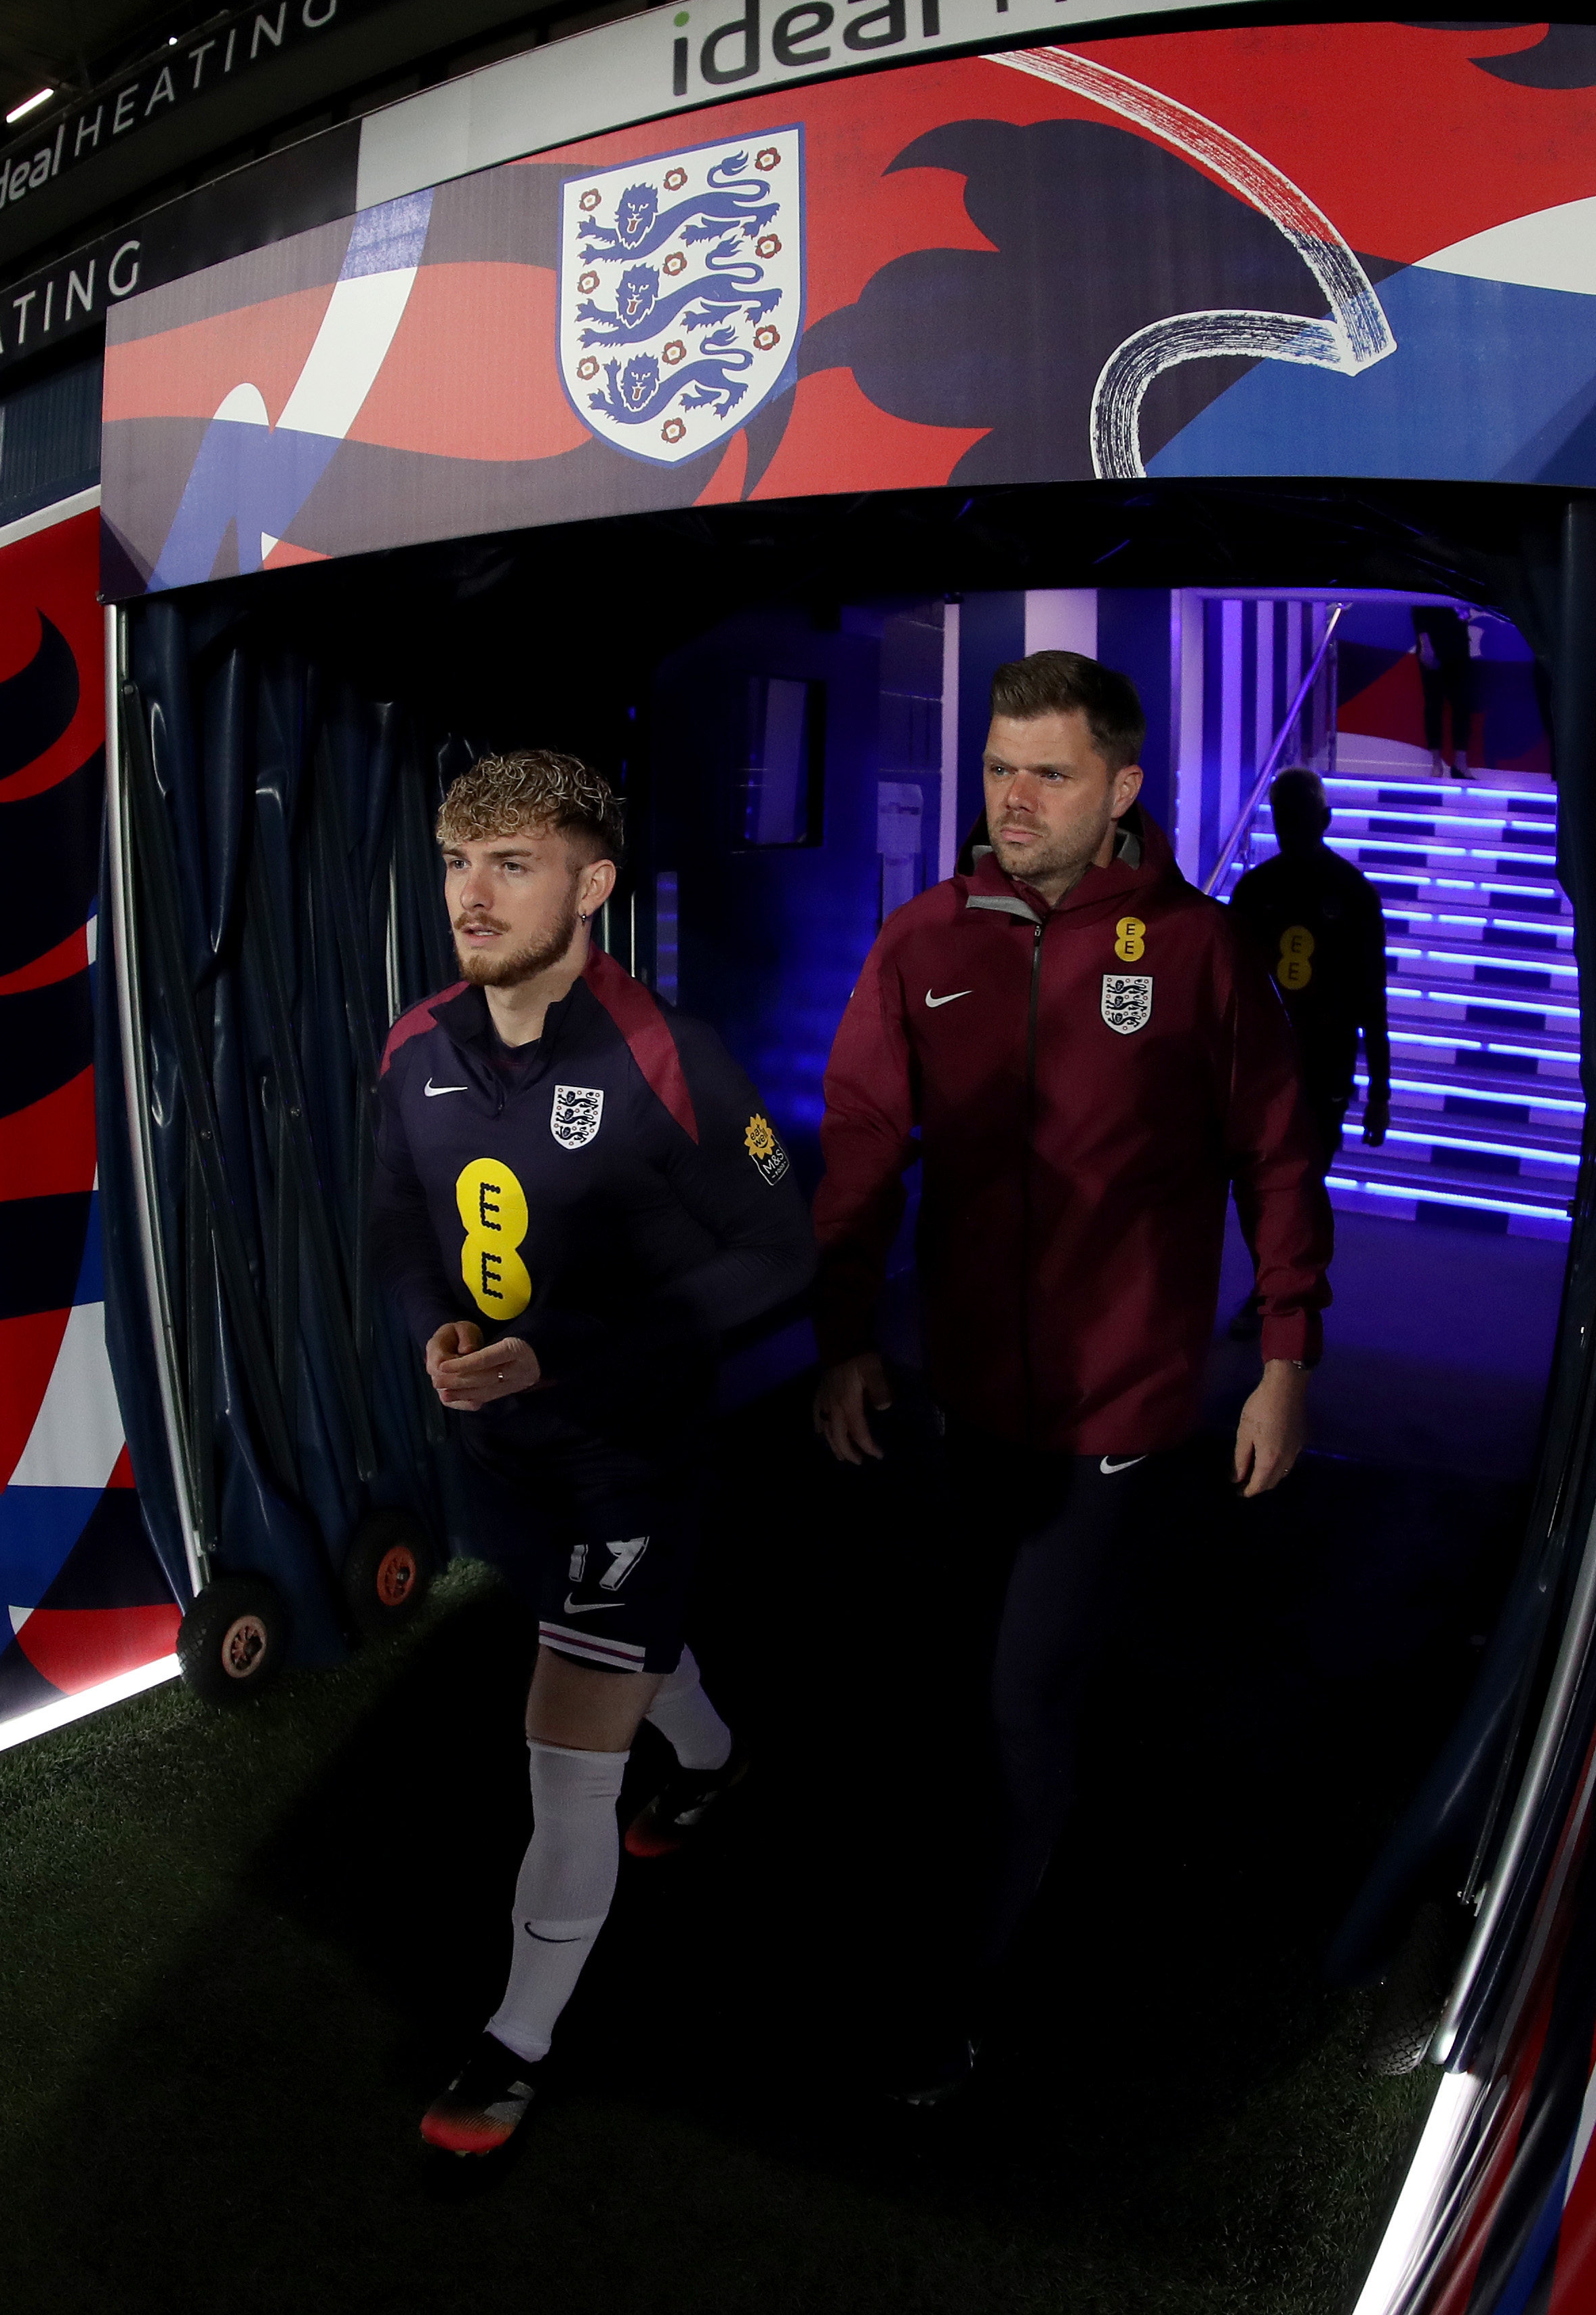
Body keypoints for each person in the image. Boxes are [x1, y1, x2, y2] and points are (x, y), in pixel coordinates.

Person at [812, 649, 1330, 2102]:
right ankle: (992, 1867)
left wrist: (1284, 1354)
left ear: (1122, 790)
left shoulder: (1200, 950)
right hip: (966, 1397)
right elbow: (861, 1145)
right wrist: (844, 1335)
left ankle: (959, 1997)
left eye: (1048, 773)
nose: (1014, 798)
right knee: (955, 1684)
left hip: (1117, 1409)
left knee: (1020, 1700)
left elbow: (1276, 1159)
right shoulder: (926, 941)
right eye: (997, 769)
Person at [366, 751, 814, 2158]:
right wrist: (434, 1329)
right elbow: (391, 1229)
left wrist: (572, 1354)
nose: (474, 895)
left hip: (633, 1451)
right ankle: (719, 1759)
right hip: (504, 1453)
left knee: (563, 1750)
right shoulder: (414, 1045)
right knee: (619, 1644)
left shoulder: (667, 1055)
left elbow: (780, 1251)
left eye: (513, 863)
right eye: (456, 863)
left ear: (594, 884)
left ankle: (513, 2043)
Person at [1222, 766, 1388, 1332]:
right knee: (1279, 1181)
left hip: (1309, 1064)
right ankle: (1280, 1291)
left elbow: (1370, 995)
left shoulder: (1278, 890)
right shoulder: (1269, 890)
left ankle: (1284, 1292)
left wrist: (1381, 1091)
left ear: (1320, 820)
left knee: (1294, 1181)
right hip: (1277, 1065)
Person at [1412, 604, 1479, 782]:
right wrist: (1425, 644)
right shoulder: (1427, 580)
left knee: (1462, 705)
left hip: (1458, 644)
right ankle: (1436, 765)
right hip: (1434, 644)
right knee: (1434, 705)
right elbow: (1418, 609)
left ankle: (1460, 764)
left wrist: (1464, 614)